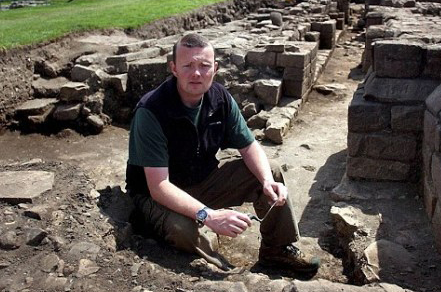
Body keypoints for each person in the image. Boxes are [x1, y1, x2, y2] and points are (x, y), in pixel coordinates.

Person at [125, 33, 319, 274]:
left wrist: (267, 181)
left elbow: (248, 146)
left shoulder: (220, 99)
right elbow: (158, 186)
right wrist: (210, 216)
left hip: (201, 179)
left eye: (204, 66)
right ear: (173, 68)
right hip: (156, 195)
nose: (196, 73)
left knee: (271, 172)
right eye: (187, 65)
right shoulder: (152, 111)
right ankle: (221, 269)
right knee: (184, 231)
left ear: (215, 68)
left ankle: (276, 251)